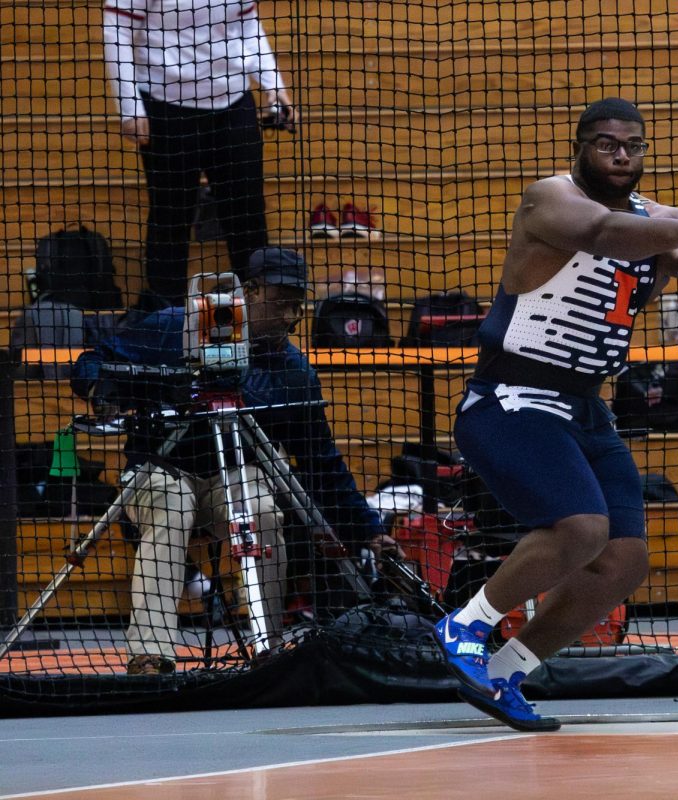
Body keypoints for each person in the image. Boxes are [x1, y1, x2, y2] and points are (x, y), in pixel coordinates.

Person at [434, 97, 678, 731]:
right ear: (580, 146)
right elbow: (602, 235)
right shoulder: (551, 197)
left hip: (584, 405)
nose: (621, 155)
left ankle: (505, 669)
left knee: (622, 562)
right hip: (511, 399)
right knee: (579, 529)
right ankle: (467, 623)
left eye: (632, 145)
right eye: (606, 143)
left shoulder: (651, 218)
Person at [70, 247, 390, 674]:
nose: (291, 315)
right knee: (173, 502)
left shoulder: (293, 372)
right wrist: (103, 392)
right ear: (249, 291)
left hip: (236, 476)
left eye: (298, 304)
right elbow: (91, 363)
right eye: (281, 301)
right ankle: (151, 656)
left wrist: (366, 529)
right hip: (159, 469)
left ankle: (267, 651)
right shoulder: (176, 326)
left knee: (261, 509)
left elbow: (321, 462)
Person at [102, 0, 298, 311]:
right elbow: (117, 30)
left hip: (234, 104)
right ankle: (164, 333)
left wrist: (273, 84)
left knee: (249, 223)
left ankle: (261, 334)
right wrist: (129, 107)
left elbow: (247, 25)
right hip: (167, 108)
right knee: (170, 224)